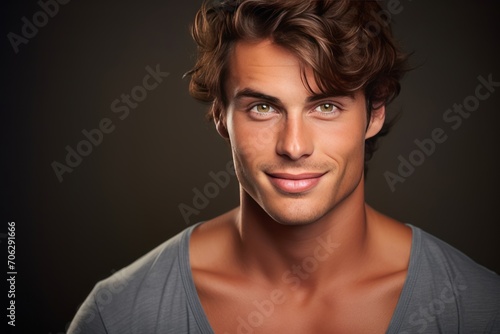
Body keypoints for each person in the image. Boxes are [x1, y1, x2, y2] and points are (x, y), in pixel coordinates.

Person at [68, 0, 500, 333]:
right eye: (262, 107)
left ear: (375, 112)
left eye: (326, 106)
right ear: (221, 114)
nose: (294, 146)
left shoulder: (479, 309)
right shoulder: (119, 316)